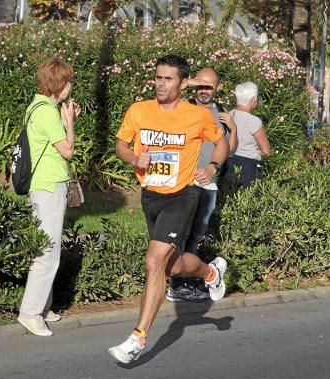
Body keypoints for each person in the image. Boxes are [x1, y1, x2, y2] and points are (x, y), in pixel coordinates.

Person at [109, 55, 230, 364]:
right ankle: (210, 272)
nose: (161, 84)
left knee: (154, 262)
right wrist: (133, 158)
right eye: (158, 78)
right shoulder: (139, 110)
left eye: (168, 79)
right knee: (171, 266)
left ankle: (138, 338)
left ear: (183, 82)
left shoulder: (196, 116)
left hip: (181, 196)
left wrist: (213, 166)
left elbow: (222, 143)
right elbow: (121, 144)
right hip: (150, 196)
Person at [17, 58, 81, 337]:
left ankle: (43, 306)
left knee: (48, 245)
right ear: (60, 84)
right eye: (69, 81)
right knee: (48, 251)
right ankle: (30, 312)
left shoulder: (38, 106)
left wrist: (66, 118)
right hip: (48, 187)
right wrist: (69, 122)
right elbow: (68, 150)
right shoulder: (47, 112)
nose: (70, 86)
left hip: (45, 186)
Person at [166, 67, 238, 303]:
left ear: (218, 88)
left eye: (209, 86)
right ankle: (176, 285)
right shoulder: (183, 107)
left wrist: (233, 129)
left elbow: (231, 148)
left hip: (210, 185)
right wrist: (183, 85)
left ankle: (185, 283)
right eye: (200, 86)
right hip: (186, 183)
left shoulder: (222, 113)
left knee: (196, 236)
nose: (204, 91)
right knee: (181, 235)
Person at [227, 81, 271, 187]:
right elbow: (266, 151)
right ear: (252, 100)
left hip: (227, 164)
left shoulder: (228, 115)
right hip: (247, 167)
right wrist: (256, 151)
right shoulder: (253, 121)